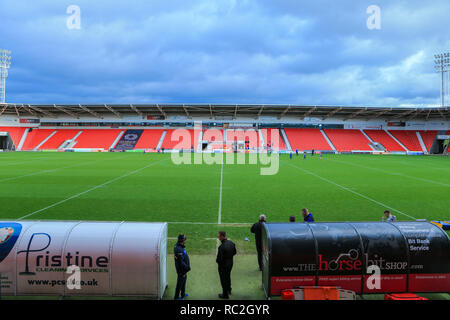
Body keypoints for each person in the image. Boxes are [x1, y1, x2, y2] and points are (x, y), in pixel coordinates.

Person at [216, 231, 236, 299]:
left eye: (219, 236)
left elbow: (219, 259)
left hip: (223, 266)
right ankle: (229, 289)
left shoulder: (221, 247)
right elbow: (234, 252)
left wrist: (218, 262)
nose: (218, 237)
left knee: (223, 279)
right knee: (228, 276)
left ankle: (225, 295)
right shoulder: (232, 243)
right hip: (230, 264)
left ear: (222, 236)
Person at [174, 234, 191, 300]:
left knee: (183, 281)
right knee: (180, 283)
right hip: (182, 270)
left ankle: (183, 294)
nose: (185, 241)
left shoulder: (179, 246)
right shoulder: (179, 250)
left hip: (183, 269)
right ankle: (176, 297)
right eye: (184, 239)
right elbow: (181, 262)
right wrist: (187, 267)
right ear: (182, 240)